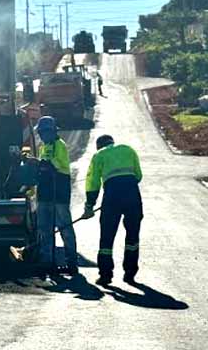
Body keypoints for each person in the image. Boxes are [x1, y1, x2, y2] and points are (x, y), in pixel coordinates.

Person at [81, 134, 142, 286]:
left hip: (112, 197)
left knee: (107, 237)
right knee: (132, 236)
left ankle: (106, 275)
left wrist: (90, 205)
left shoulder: (99, 155)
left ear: (99, 146)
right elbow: (138, 176)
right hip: (133, 195)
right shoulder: (128, 150)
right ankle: (130, 273)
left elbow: (92, 183)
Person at [32, 116, 77, 276]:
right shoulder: (44, 147)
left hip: (59, 193)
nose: (43, 136)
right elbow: (44, 165)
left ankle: (71, 262)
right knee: (45, 229)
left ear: (52, 131)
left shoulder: (60, 145)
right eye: (41, 133)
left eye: (45, 132)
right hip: (45, 194)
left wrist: (39, 164)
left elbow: (56, 165)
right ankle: (47, 262)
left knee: (64, 228)